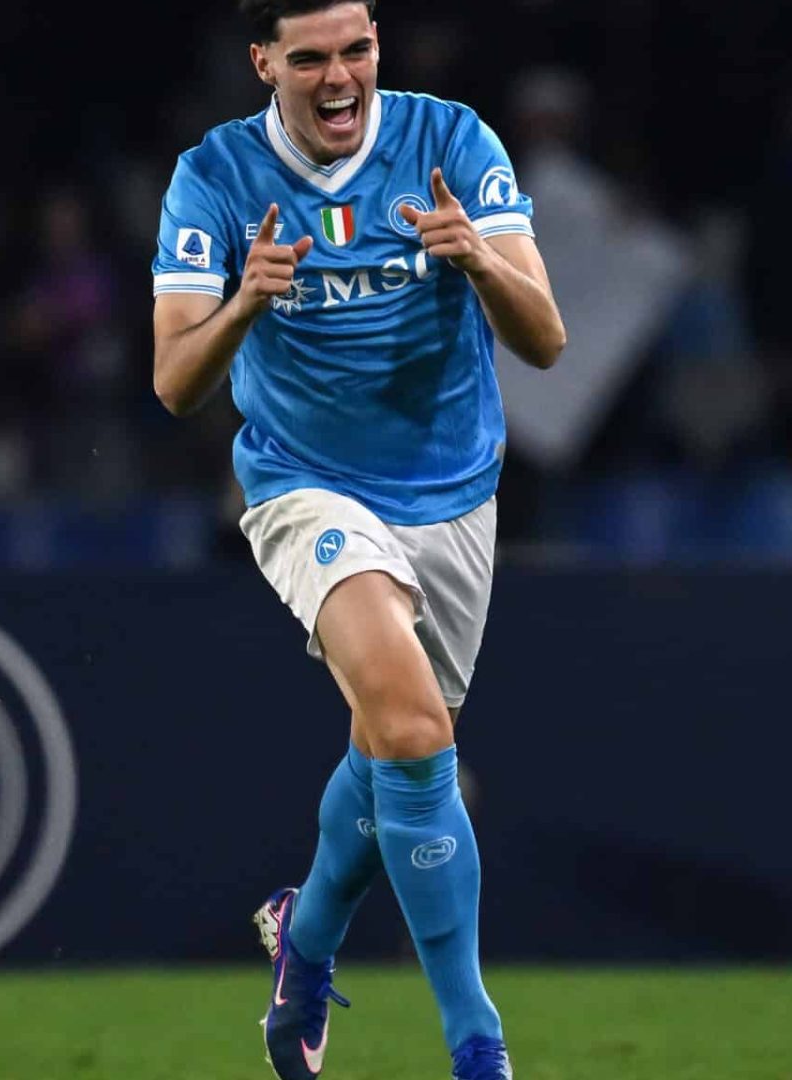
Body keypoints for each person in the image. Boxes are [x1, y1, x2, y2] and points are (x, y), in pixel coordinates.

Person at [148, 3, 565, 1078]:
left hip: (454, 495)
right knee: (420, 737)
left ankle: (307, 936)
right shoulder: (217, 177)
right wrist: (245, 303)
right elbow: (174, 382)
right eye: (311, 59)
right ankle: (479, 1047)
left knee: (389, 747)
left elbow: (546, 338)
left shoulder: (450, 142)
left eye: (357, 51)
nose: (340, 80)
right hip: (307, 489)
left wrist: (475, 255)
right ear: (263, 62)